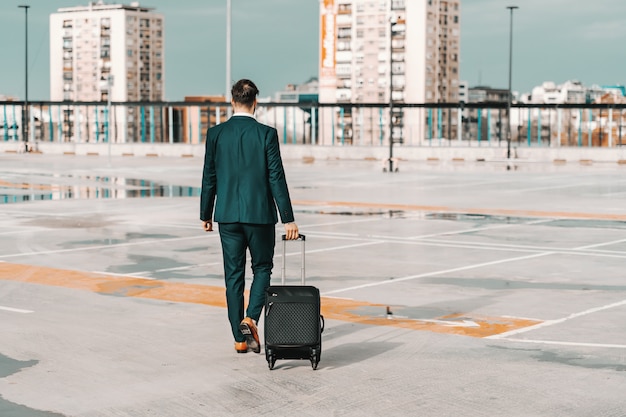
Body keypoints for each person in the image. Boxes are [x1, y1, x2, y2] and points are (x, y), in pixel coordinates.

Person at [200, 79, 299, 354]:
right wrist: (288, 218)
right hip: (260, 215)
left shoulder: (216, 134)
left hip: (227, 215)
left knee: (233, 276)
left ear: (232, 101)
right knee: (263, 267)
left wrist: (205, 213)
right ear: (255, 102)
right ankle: (250, 318)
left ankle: (239, 339)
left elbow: (209, 176)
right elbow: (276, 177)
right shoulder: (266, 134)